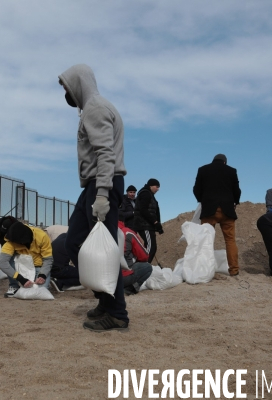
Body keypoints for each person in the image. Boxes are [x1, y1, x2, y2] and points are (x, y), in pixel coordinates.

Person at [59, 64, 129, 332]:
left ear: (77, 83)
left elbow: (105, 154)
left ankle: (118, 313)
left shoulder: (96, 108)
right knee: (75, 241)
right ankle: (105, 299)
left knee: (105, 251)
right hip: (94, 185)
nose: (65, 92)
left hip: (102, 184)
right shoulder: (93, 108)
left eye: (66, 86)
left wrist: (101, 194)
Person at [193, 154, 242, 276]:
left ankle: (204, 271)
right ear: (225, 162)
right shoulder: (231, 170)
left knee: (206, 241)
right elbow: (237, 190)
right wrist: (235, 202)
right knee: (230, 240)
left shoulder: (203, 169)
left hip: (209, 210)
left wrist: (202, 200)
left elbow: (196, 189)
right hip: (227, 211)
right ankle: (234, 270)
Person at [0, 221, 53, 297]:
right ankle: (14, 286)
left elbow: (48, 259)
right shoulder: (11, 240)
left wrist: (43, 275)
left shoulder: (42, 236)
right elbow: (2, 263)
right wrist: (21, 279)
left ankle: (43, 279)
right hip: (21, 268)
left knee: (41, 292)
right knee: (9, 259)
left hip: (38, 267)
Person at [118, 221, 153, 295]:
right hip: (121, 278)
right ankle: (129, 289)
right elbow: (144, 256)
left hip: (101, 279)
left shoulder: (102, 232)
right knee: (147, 267)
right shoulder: (127, 232)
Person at [133, 179, 163, 264]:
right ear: (151, 186)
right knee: (151, 247)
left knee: (149, 246)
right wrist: (155, 222)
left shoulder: (149, 194)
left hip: (148, 225)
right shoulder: (145, 193)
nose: (158, 189)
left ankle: (142, 267)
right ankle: (144, 267)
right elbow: (144, 210)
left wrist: (158, 225)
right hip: (144, 225)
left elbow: (153, 211)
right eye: (156, 187)